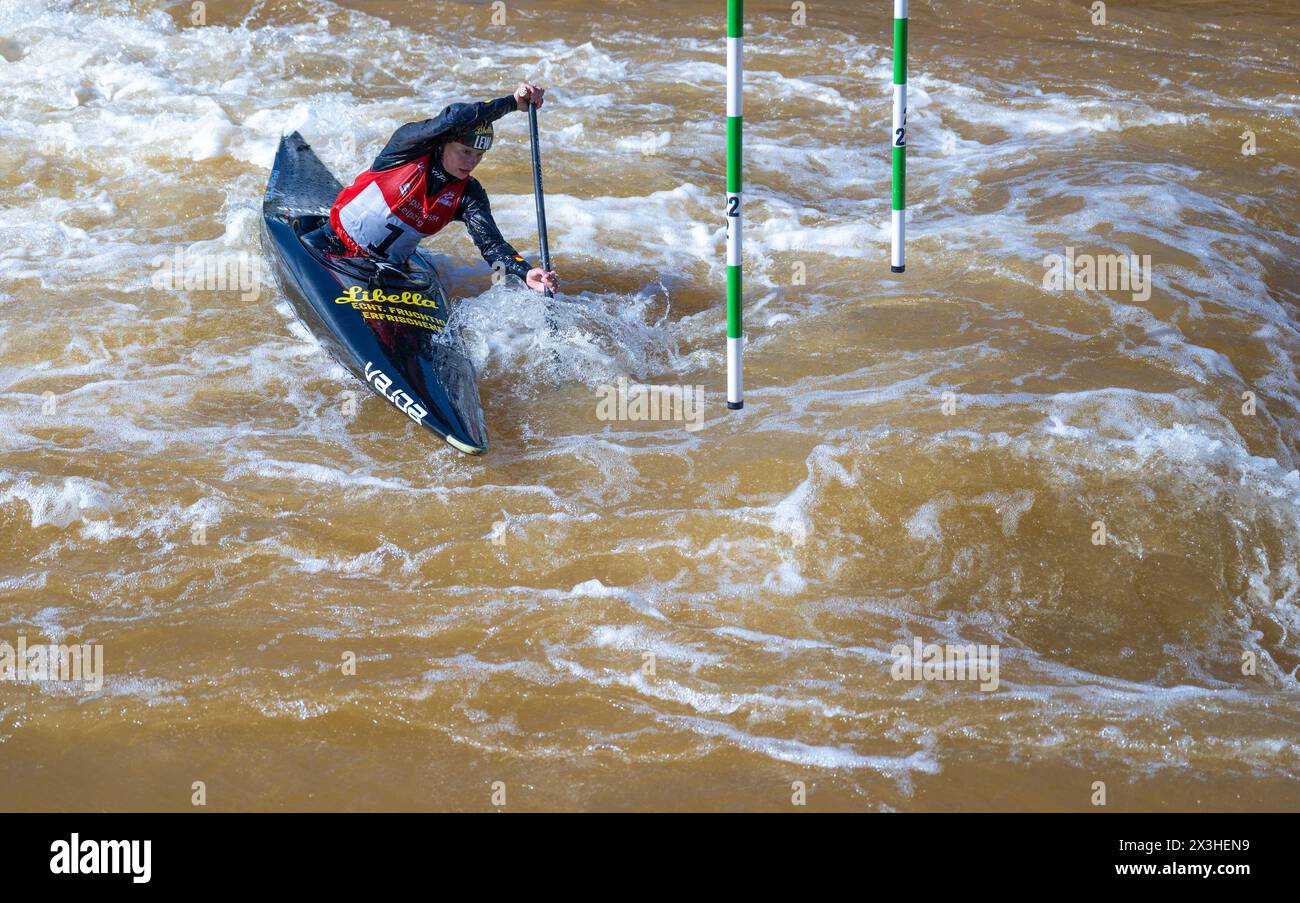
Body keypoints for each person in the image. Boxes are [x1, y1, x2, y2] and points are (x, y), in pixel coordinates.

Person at [316, 82, 559, 294]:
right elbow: (455, 116)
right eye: (465, 152)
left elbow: (492, 246)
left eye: (479, 155)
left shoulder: (469, 195)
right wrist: (511, 103)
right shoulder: (406, 149)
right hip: (332, 243)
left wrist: (524, 271)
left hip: (388, 271)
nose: (472, 162)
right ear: (445, 143)